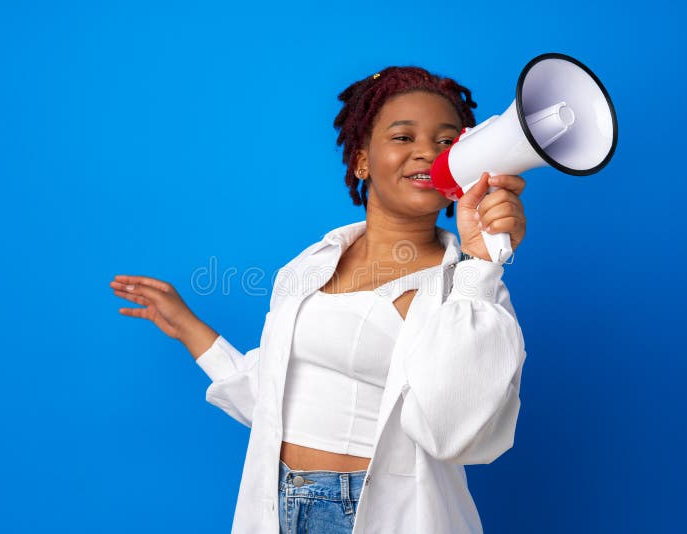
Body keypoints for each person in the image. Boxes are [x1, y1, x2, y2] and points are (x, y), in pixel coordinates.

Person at [110, 66, 528, 534]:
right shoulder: (313, 263)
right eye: (403, 137)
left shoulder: (470, 289)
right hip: (280, 504)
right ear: (362, 160)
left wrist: (479, 263)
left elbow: (456, 435)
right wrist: (187, 325)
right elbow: (274, 399)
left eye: (447, 141)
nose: (427, 152)